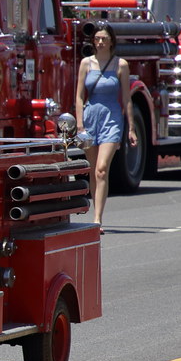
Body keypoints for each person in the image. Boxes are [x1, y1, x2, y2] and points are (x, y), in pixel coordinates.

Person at [74, 22, 137, 233]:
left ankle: (97, 218)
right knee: (92, 170)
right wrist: (80, 124)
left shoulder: (121, 65)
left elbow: (127, 98)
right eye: (97, 38)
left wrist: (131, 128)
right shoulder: (86, 63)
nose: (100, 42)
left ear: (111, 41)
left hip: (111, 118)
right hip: (90, 117)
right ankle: (95, 211)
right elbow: (79, 96)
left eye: (104, 39)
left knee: (102, 169)